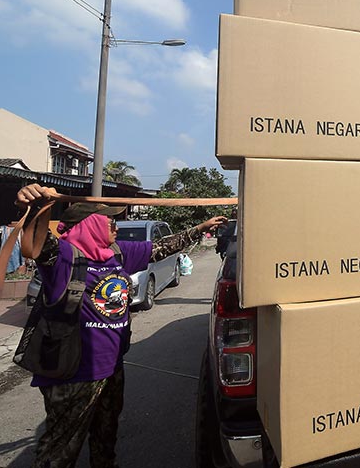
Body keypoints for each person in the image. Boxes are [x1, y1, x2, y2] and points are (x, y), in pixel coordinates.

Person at [15, 183, 226, 468]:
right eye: (109, 220)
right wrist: (34, 207)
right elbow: (37, 246)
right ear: (89, 223)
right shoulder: (63, 258)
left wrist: (202, 227)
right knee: (59, 451)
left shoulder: (115, 252)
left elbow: (162, 247)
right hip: (73, 374)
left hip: (112, 367)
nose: (116, 224)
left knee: (106, 441)